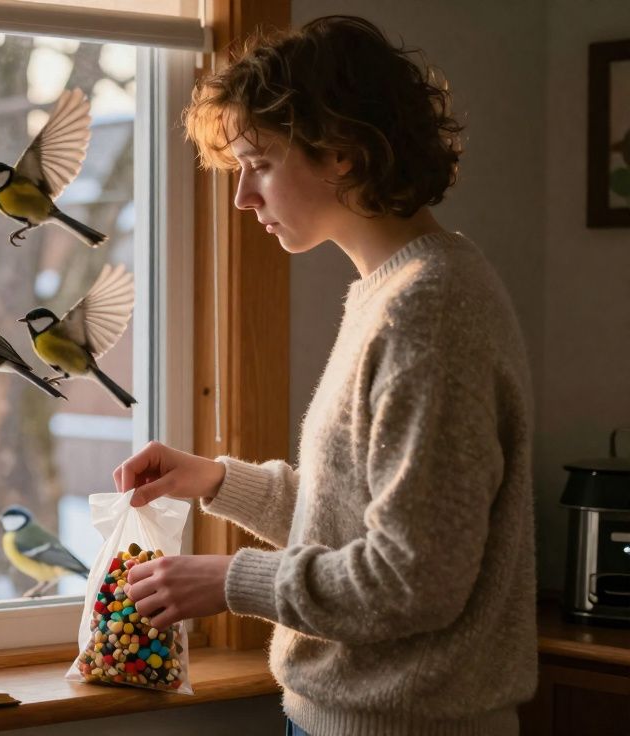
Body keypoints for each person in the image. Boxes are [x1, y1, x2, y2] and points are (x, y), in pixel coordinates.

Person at [113, 15, 536, 735]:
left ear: (342, 152)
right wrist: (216, 480)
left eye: (262, 162)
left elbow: (412, 580)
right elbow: (354, 515)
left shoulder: (430, 309)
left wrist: (230, 582)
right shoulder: (392, 292)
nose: (243, 196)